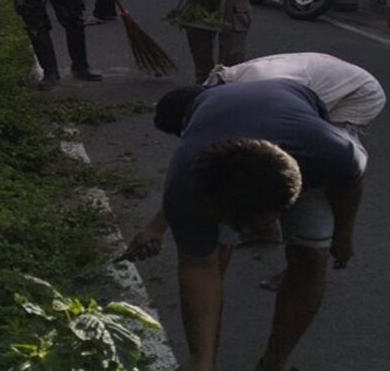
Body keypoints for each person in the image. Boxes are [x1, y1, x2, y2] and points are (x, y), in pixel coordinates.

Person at [151, 80, 366, 371]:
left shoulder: (332, 151)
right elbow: (197, 267)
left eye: (257, 224)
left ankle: (274, 363)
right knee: (211, 254)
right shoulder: (186, 187)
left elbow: (350, 182)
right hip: (228, 124)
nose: (247, 232)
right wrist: (200, 359)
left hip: (298, 110)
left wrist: (344, 236)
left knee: (312, 256)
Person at [126, 52, 383, 267]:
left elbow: (347, 172)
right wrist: (156, 228)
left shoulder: (254, 96)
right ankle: (266, 226)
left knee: (307, 163)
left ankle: (307, 251)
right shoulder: (214, 96)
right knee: (255, 162)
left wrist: (342, 237)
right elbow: (198, 167)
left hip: (353, 93)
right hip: (308, 91)